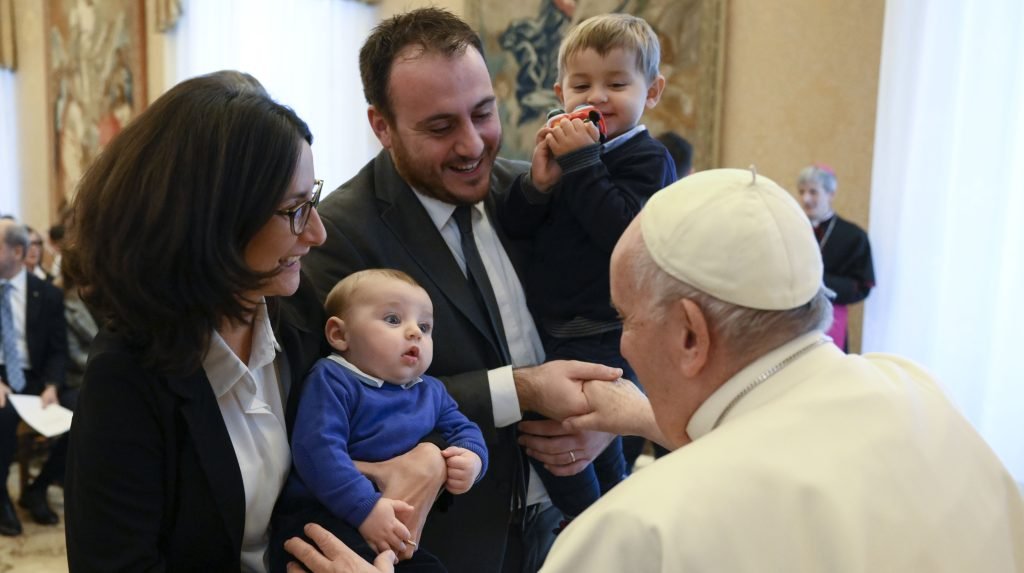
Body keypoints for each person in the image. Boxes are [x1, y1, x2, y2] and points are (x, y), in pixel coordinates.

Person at [287, 168, 1024, 573]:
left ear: (692, 334)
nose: (626, 350)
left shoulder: (640, 533)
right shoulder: (915, 389)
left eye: (627, 319)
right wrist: (643, 413)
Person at [298, 8, 623, 573]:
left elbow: (612, 309)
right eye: (441, 127)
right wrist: (522, 390)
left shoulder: (539, 189)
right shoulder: (337, 237)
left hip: (581, 521)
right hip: (450, 541)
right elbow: (342, 406)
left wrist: (609, 418)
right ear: (382, 126)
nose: (473, 144)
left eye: (483, 113)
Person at [62, 70, 329, 572]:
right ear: (215, 220)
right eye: (295, 210)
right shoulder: (126, 376)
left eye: (311, 200)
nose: (317, 232)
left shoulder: (297, 308)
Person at [497, 13, 674, 523]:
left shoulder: (648, 158)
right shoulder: (563, 154)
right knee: (589, 443)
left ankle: (592, 530)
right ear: (560, 91)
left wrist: (582, 166)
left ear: (653, 91)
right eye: (581, 84)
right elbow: (516, 226)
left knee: (564, 446)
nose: (597, 96)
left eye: (617, 83)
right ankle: (616, 526)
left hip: (605, 330)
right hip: (553, 331)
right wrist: (538, 185)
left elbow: (622, 233)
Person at [271, 269, 488, 571]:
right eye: (393, 320)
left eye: (425, 327)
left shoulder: (430, 391)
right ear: (339, 334)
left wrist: (474, 458)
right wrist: (365, 509)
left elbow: (464, 429)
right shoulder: (334, 379)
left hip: (387, 526)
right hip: (322, 517)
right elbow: (317, 450)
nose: (415, 332)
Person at [0, 219, 68, 536]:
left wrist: (53, 385)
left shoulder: (47, 294)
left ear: (16, 251)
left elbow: (58, 349)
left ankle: (37, 489)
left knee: (86, 412)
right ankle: (0, 495)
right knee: (3, 416)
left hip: (37, 378)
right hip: (1, 376)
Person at [796, 164, 875, 351]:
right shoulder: (793, 230)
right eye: (801, 191)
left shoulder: (853, 236)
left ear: (830, 194)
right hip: (791, 321)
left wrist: (817, 281)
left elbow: (861, 286)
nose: (806, 198)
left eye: (813, 192)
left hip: (832, 320)